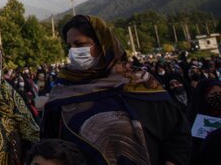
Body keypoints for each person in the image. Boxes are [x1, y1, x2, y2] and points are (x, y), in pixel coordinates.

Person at [41, 15, 192, 165]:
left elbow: (177, 134)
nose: (73, 51)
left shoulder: (140, 82)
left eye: (80, 44)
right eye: (70, 46)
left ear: (103, 44)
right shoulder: (64, 89)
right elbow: (50, 144)